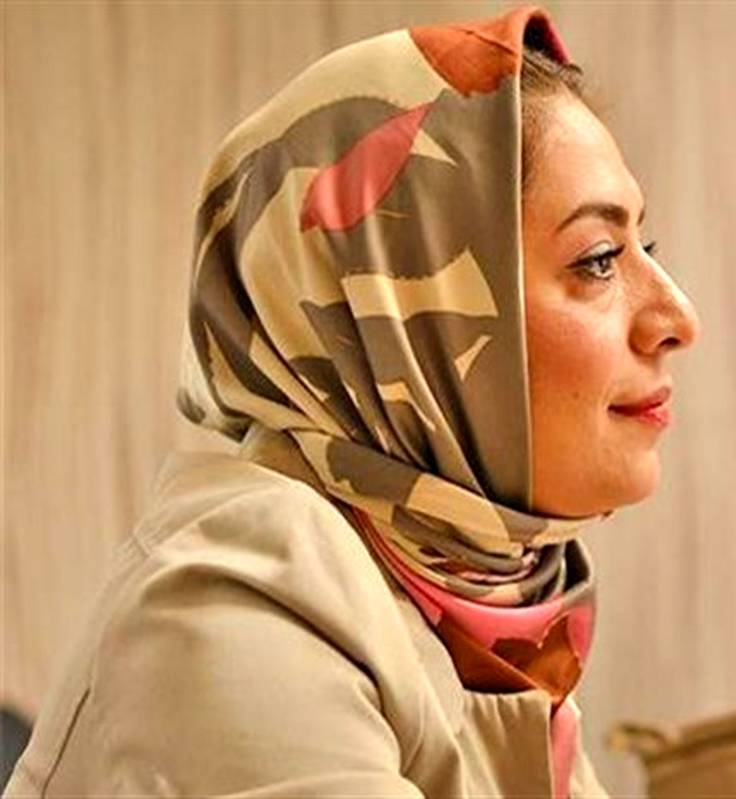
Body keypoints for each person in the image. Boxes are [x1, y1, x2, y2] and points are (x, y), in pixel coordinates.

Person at [3, 4, 698, 797]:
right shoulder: (241, 597)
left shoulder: (480, 599)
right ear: (401, 304)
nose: (679, 317)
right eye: (599, 259)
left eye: (644, 247)